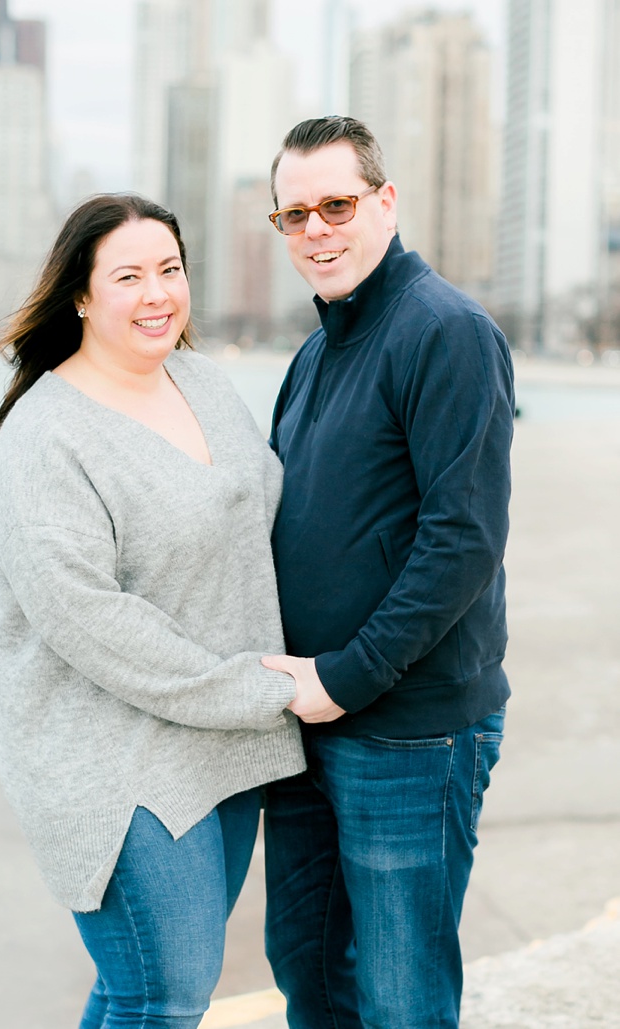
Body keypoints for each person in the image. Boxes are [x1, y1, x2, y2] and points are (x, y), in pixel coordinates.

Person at [0, 194, 305, 1029]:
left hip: (223, 742)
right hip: (114, 764)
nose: (156, 292)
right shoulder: (45, 438)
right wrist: (260, 690)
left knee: (137, 990)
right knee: (165, 994)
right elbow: (93, 621)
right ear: (81, 296)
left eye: (169, 269)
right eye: (127, 275)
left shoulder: (201, 381)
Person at [260, 116, 514, 1029]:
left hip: (408, 731)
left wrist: (346, 677)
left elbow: (463, 540)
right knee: (306, 967)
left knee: (402, 998)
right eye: (294, 214)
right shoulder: (313, 352)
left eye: (336, 204)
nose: (317, 229)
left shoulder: (444, 332)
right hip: (306, 725)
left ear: (385, 201)